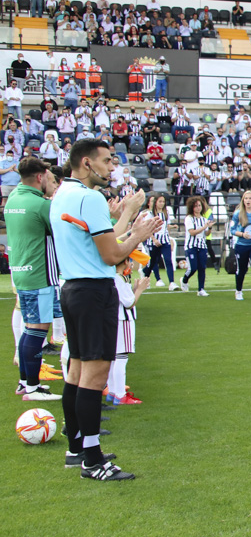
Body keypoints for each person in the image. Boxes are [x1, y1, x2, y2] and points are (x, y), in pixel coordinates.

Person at [49, 138, 160, 480]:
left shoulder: (62, 195)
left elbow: (103, 239)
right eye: (108, 161)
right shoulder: (89, 197)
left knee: (77, 372)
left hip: (73, 289)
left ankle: (76, 448)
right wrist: (138, 233)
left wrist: (126, 215)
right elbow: (112, 256)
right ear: (86, 163)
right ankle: (93, 460)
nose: (112, 167)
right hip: (94, 292)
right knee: (94, 377)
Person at [5, 157, 61, 400]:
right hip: (39, 274)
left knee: (29, 330)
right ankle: (32, 387)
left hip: (21, 271)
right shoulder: (40, 205)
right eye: (49, 177)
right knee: (37, 330)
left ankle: (24, 382)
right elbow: (62, 231)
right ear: (40, 177)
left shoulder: (14, 198)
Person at [106, 254, 148, 405]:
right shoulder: (118, 278)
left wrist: (135, 288)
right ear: (125, 261)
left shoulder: (114, 277)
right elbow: (129, 303)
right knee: (121, 357)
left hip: (115, 320)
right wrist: (140, 290)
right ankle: (120, 394)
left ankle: (112, 391)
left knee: (114, 358)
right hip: (123, 320)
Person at [142, 194, 179, 291]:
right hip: (154, 241)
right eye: (160, 201)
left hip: (165, 240)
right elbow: (147, 228)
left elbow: (166, 226)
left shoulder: (165, 213)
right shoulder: (150, 214)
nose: (162, 204)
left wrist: (169, 237)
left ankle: (172, 282)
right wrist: (154, 239)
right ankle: (145, 277)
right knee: (153, 262)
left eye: (163, 202)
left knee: (168, 260)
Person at [180, 196, 214, 297]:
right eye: (196, 206)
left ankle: (201, 289)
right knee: (193, 267)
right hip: (191, 246)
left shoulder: (204, 219)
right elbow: (192, 232)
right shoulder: (189, 218)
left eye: (199, 206)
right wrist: (204, 227)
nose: (198, 208)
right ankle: (184, 280)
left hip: (202, 246)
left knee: (202, 268)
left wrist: (210, 228)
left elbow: (206, 234)